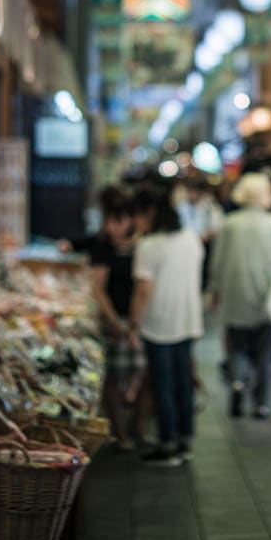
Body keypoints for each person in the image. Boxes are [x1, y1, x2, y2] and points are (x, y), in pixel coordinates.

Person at [129, 185, 205, 466]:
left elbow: (143, 291)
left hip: (159, 323)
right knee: (183, 382)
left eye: (137, 216)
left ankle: (167, 443)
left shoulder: (149, 246)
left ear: (149, 213)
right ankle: (185, 440)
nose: (135, 222)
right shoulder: (191, 239)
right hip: (188, 320)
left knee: (163, 384)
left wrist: (133, 324)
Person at [208, 172, 271, 419]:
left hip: (235, 293)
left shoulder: (229, 223)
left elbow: (218, 261)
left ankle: (237, 384)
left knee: (236, 346)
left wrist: (215, 289)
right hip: (264, 295)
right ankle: (261, 403)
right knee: (264, 351)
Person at [89, 186, 149, 451]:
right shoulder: (103, 246)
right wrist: (113, 320)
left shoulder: (145, 245)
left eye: (117, 221)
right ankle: (120, 433)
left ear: (130, 220)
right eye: (108, 221)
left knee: (144, 374)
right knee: (112, 377)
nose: (110, 227)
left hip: (141, 319)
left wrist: (136, 321)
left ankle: (139, 428)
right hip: (113, 319)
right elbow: (97, 287)